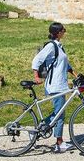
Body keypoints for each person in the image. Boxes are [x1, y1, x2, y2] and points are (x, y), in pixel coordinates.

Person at [30, 22, 76, 153]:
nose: (65, 32)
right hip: (55, 84)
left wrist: (76, 74)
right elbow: (37, 60)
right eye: (63, 30)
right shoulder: (51, 46)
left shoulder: (59, 46)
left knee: (59, 113)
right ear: (58, 33)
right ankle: (59, 143)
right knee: (60, 114)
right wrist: (36, 76)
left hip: (60, 84)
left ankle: (41, 130)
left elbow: (65, 65)